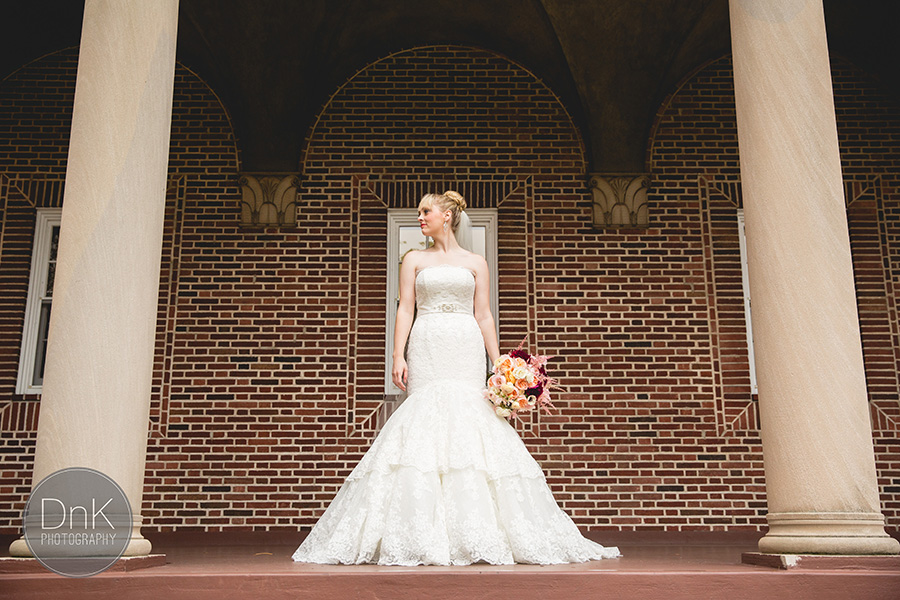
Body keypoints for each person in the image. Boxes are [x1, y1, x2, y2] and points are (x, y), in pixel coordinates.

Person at [292, 190, 620, 565]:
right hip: (427, 340)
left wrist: (499, 364)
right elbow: (405, 311)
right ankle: (418, 530)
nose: (420, 217)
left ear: (446, 216)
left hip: (464, 342)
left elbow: (483, 315)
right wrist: (397, 354)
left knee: (471, 417)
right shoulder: (413, 259)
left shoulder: (476, 262)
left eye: (426, 211)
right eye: (418, 213)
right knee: (424, 418)